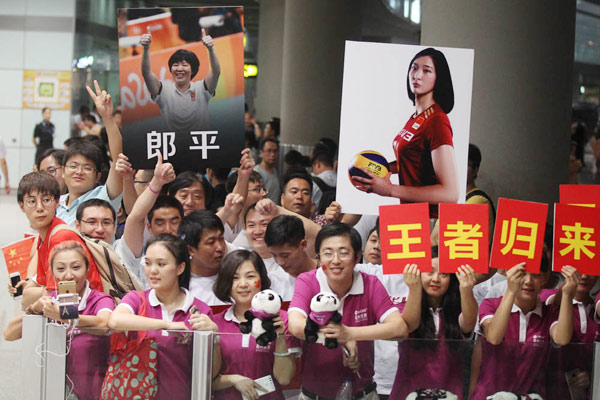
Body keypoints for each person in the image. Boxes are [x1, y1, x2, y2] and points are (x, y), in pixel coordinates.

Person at [288, 223, 408, 400]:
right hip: (314, 395)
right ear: (319, 258)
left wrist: (350, 334)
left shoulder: (371, 283)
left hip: (362, 393)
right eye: (328, 253)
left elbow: (399, 328)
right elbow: (296, 325)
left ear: (357, 256)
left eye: (343, 253)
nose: (335, 260)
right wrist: (338, 337)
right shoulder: (308, 280)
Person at [108, 234, 219, 400]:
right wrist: (166, 324)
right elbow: (115, 321)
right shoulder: (137, 299)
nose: (152, 271)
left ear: (180, 268)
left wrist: (215, 336)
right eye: (147, 263)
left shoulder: (199, 310)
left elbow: (212, 372)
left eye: (161, 264)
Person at [353, 48, 459, 217]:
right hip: (410, 214)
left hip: (430, 220)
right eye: (414, 68)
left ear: (439, 77)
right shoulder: (417, 117)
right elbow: (414, 159)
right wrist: (378, 169)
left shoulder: (437, 120)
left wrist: (390, 190)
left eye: (426, 71)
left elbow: (450, 194)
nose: (417, 75)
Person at [5, 240, 114, 400]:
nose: (69, 275)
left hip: (95, 391)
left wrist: (65, 317)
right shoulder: (51, 301)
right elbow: (9, 334)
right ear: (53, 273)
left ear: (87, 269)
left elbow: (104, 323)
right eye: (61, 269)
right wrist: (34, 309)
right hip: (53, 390)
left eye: (76, 267)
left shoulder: (100, 299)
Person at [472, 260, 579, 399]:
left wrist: (567, 295)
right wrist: (511, 290)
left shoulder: (549, 313)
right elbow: (494, 337)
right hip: (490, 396)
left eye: (536, 275)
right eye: (521, 274)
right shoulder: (491, 304)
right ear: (509, 274)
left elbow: (562, 338)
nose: (528, 281)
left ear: (545, 278)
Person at [389, 250, 478, 399]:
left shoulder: (459, 310)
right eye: (429, 272)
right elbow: (409, 325)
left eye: (444, 274)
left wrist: (467, 290)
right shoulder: (404, 307)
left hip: (449, 393)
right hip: (409, 393)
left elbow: (468, 323)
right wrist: (414, 288)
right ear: (418, 274)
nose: (436, 279)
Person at [212, 250, 299, 400]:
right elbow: (205, 380)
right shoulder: (214, 323)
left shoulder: (282, 318)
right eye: (235, 278)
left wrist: (280, 338)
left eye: (250, 276)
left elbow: (284, 378)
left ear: (262, 279)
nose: (243, 284)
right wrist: (233, 379)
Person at [16, 172, 103, 306]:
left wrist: (29, 292)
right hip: (71, 307)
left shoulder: (61, 236)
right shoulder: (45, 236)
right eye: (32, 201)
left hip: (87, 309)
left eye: (46, 200)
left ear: (57, 202)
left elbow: (53, 294)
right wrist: (29, 290)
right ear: (22, 206)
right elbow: (41, 284)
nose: (39, 208)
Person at [57, 82, 123, 226]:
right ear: (63, 171)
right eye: (73, 166)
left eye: (87, 168)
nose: (79, 172)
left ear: (98, 176)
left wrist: (107, 117)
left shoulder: (103, 197)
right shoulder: (55, 204)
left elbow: (118, 159)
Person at [140, 26, 221, 133]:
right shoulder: (164, 90)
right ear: (171, 69)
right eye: (175, 65)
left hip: (199, 147)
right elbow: (146, 73)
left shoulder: (201, 88)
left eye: (184, 65)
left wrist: (211, 49)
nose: (179, 69)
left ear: (193, 70)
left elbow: (216, 72)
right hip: (172, 148)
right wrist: (146, 48)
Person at [254, 138, 281, 204]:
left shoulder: (274, 170)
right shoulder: (256, 172)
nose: (272, 154)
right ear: (261, 153)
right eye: (269, 151)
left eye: (275, 151)